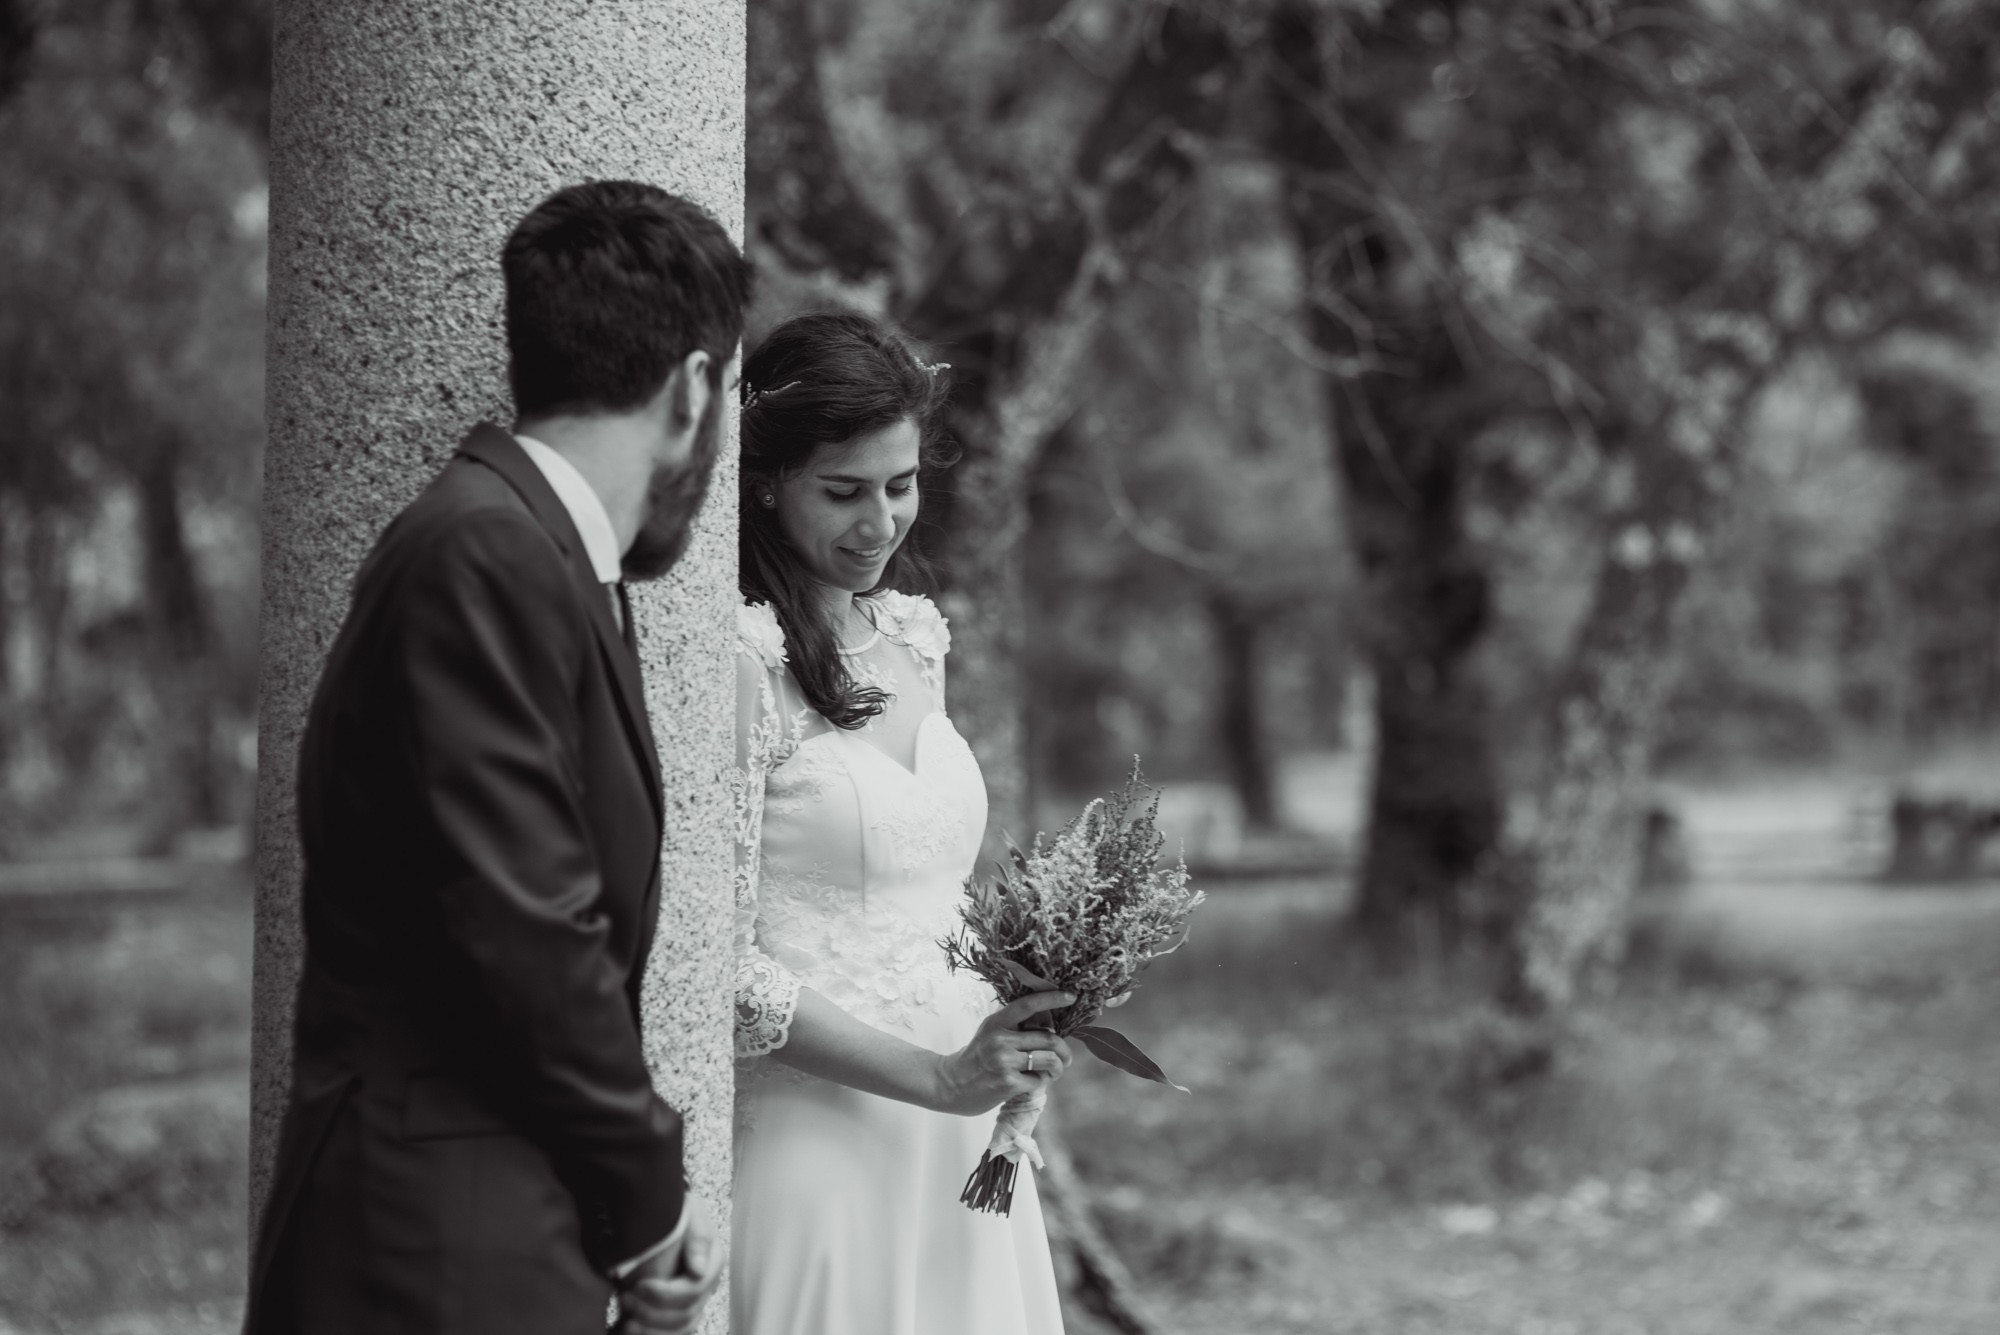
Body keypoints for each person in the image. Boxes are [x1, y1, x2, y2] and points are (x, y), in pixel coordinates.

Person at [243, 181, 750, 1335]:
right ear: (695, 386)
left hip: (495, 1229)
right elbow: (526, 929)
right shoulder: (485, 554)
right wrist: (652, 1200)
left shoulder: (532, 555)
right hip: (432, 1250)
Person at [729, 310, 1073, 1335]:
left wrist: (1026, 1003)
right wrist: (933, 1075)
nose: (879, 524)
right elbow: (710, 959)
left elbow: (931, 892)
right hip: (820, 1144)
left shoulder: (913, 638)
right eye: (841, 492)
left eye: (900, 485)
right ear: (765, 482)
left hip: (960, 1149)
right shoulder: (739, 663)